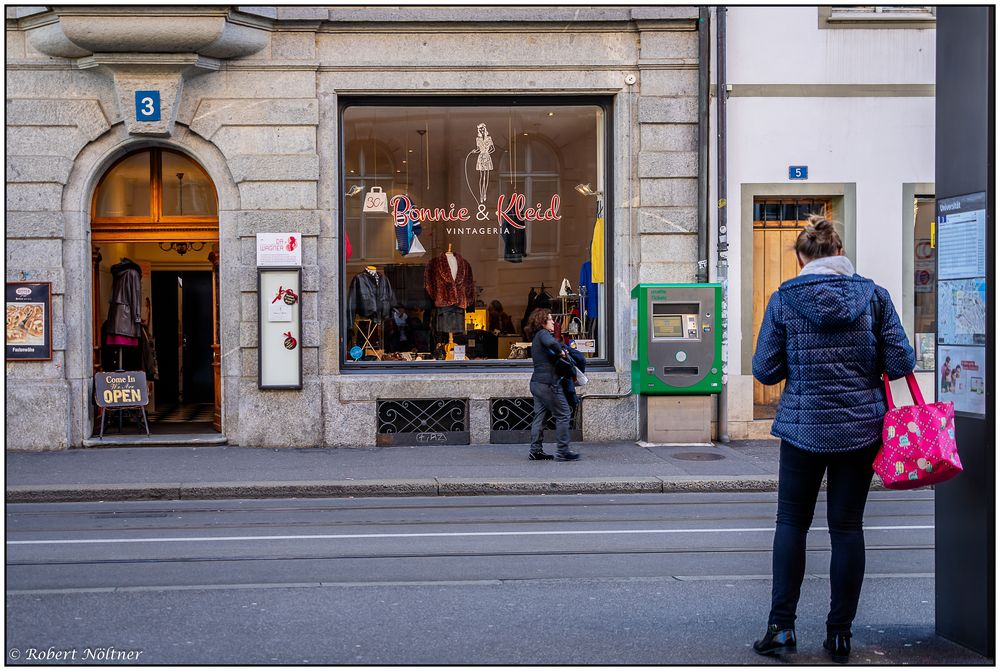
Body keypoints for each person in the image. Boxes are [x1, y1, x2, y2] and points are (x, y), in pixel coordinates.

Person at [751, 216, 915, 664]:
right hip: (860, 430)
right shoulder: (874, 296)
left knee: (791, 525)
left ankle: (781, 628)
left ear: (802, 257)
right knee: (847, 528)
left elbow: (765, 370)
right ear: (839, 252)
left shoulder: (785, 299)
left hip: (804, 429)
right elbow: (901, 361)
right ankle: (839, 634)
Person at [526, 308, 580, 461]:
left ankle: (535, 450)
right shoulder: (543, 334)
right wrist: (561, 351)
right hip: (548, 384)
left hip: (536, 383)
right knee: (563, 414)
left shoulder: (536, 337)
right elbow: (552, 343)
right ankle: (563, 451)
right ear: (543, 321)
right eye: (550, 319)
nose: (553, 322)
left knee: (540, 416)